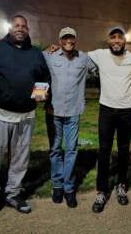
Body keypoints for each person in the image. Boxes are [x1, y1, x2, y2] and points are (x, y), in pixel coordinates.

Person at [0, 15, 50, 229]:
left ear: (27, 30)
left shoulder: (35, 54)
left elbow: (44, 77)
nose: (20, 29)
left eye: (24, 26)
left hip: (26, 116)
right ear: (10, 28)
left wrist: (39, 97)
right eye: (17, 25)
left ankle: (13, 194)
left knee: (20, 159)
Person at [88, 27, 131, 213]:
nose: (116, 40)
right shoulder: (99, 54)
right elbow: (76, 55)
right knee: (104, 151)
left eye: (119, 37)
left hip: (126, 111)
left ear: (124, 41)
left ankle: (121, 186)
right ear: (108, 41)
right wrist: (54, 49)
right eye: (113, 37)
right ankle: (101, 191)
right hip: (106, 110)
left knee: (124, 150)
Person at [43, 27, 97, 208]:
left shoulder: (84, 58)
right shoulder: (49, 55)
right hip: (53, 110)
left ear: (75, 40)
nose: (68, 41)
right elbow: (30, 60)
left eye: (71, 38)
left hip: (74, 110)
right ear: (59, 41)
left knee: (72, 149)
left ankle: (69, 188)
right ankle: (57, 185)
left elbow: (100, 68)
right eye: (65, 38)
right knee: (55, 149)